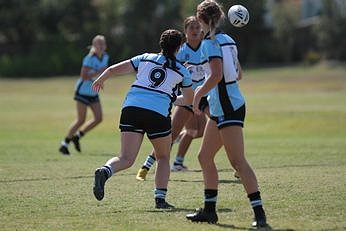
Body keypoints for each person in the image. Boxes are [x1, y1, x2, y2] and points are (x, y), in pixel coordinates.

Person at [185, 0, 267, 228]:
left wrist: (199, 93)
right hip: (225, 105)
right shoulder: (228, 40)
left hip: (227, 106)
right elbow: (237, 74)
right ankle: (210, 211)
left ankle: (260, 214)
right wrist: (202, 73)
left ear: (201, 20)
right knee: (204, 157)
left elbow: (217, 75)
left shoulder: (209, 42)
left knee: (238, 162)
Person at [91, 29, 193, 209]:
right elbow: (188, 100)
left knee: (126, 158)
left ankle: (105, 171)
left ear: (160, 44)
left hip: (132, 108)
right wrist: (171, 93)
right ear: (179, 47)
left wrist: (101, 79)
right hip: (157, 114)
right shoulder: (183, 71)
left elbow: (114, 69)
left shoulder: (145, 57)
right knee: (162, 157)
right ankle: (160, 200)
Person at [135, 16, 209, 180]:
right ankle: (146, 166)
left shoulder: (207, 47)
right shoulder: (181, 51)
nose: (196, 31)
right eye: (192, 28)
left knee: (219, 125)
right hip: (186, 96)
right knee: (171, 136)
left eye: (198, 28)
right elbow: (170, 73)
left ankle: (237, 166)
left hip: (204, 95)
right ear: (185, 32)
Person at [59, 35, 109, 155]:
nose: (101, 46)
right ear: (94, 46)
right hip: (82, 91)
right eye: (98, 44)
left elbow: (105, 73)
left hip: (93, 92)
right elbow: (84, 76)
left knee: (98, 118)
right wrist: (99, 74)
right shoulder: (89, 58)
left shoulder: (106, 57)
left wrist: (101, 80)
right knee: (81, 120)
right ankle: (64, 144)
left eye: (103, 44)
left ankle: (77, 136)